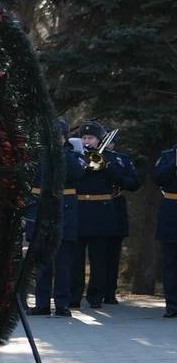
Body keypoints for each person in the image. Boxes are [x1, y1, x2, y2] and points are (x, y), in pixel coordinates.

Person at [72, 121, 140, 309]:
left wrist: (108, 166)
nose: (86, 141)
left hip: (102, 213)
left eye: (90, 138)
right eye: (84, 138)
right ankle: (73, 297)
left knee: (99, 259)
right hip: (79, 211)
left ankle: (96, 297)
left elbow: (131, 183)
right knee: (75, 259)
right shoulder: (74, 156)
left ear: (98, 140)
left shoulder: (112, 158)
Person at [26, 120, 86, 317]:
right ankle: (41, 304)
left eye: (58, 137)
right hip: (40, 210)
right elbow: (30, 175)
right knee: (42, 262)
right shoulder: (37, 155)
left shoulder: (72, 156)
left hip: (64, 212)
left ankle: (62, 304)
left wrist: (60, 154)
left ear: (64, 138)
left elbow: (78, 173)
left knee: (63, 264)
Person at [154, 143, 176, 319]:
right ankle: (172, 305)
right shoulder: (168, 155)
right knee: (170, 263)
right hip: (171, 212)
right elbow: (157, 178)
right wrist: (174, 162)